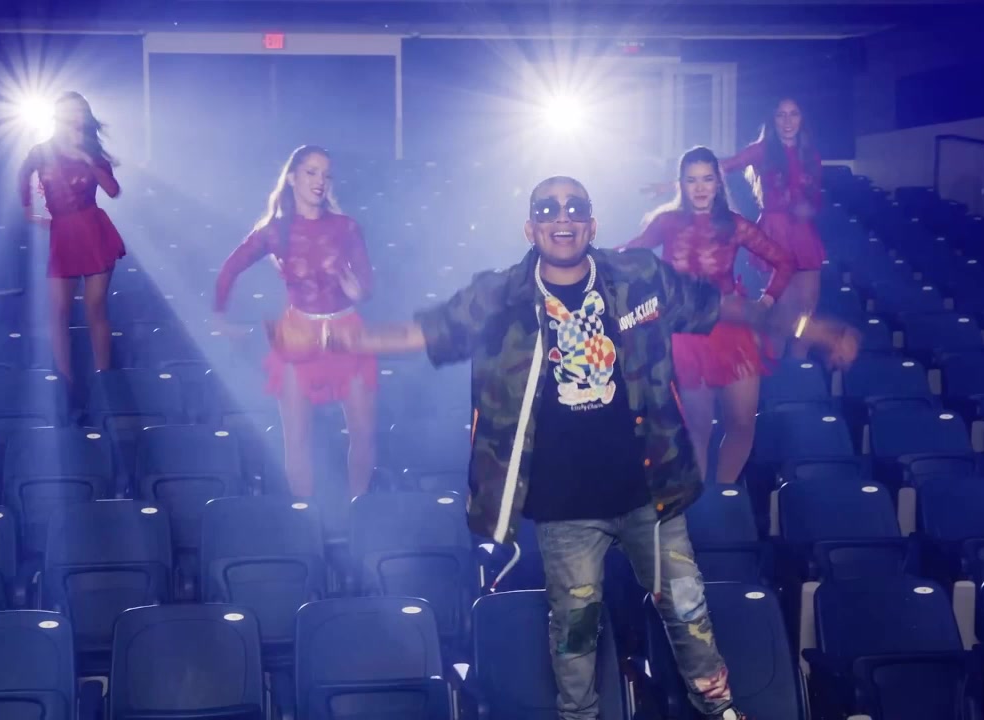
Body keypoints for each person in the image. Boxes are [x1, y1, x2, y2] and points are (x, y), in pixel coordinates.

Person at [317, 176, 857, 720]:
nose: (562, 217)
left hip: (649, 491)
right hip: (566, 505)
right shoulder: (500, 297)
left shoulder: (638, 277)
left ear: (592, 224)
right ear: (530, 228)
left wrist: (808, 327)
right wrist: (334, 337)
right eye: (548, 209)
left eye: (574, 207)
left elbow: (724, 307)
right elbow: (424, 333)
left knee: (688, 609)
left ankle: (720, 710)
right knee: (574, 634)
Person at [626, 146, 797, 485]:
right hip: (686, 334)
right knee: (697, 428)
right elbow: (630, 256)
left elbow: (785, 262)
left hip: (732, 331)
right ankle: (702, 504)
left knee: (742, 423)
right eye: (692, 180)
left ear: (718, 182)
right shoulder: (666, 222)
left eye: (707, 179)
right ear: (681, 184)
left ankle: (724, 492)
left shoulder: (735, 225)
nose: (700, 187)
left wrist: (765, 302)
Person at [214, 145, 377, 499]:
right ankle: (306, 516)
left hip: (346, 333)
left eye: (326, 174)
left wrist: (360, 291)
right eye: (311, 172)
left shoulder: (347, 227)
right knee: (297, 440)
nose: (320, 181)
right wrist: (220, 317)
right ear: (292, 178)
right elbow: (229, 268)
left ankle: (359, 509)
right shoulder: (275, 231)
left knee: (363, 434)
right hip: (298, 336)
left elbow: (367, 284)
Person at [646, 97, 824, 358]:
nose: (787, 121)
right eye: (781, 115)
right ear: (773, 120)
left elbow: (816, 196)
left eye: (793, 114)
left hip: (803, 231)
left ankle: (799, 361)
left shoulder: (811, 154)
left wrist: (809, 209)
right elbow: (720, 168)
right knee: (785, 309)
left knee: (808, 305)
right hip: (776, 229)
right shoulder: (762, 149)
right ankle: (777, 364)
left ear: (802, 119)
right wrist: (673, 185)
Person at [18, 91, 125, 384]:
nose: (73, 117)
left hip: (93, 231)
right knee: (59, 312)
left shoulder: (93, 154)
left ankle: (104, 378)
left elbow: (113, 191)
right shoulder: (42, 151)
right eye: (67, 112)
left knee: (95, 308)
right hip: (63, 233)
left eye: (78, 112)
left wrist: (86, 158)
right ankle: (66, 381)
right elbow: (23, 174)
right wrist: (28, 210)